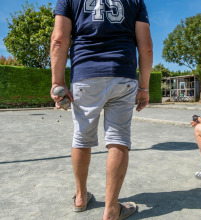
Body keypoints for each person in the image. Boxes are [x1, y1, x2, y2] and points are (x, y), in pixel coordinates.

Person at [50, 0, 153, 219]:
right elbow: (146, 47)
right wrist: (144, 87)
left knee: (81, 137)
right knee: (119, 138)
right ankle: (112, 209)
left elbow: (59, 40)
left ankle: (80, 197)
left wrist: (57, 83)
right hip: (122, 73)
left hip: (85, 74)